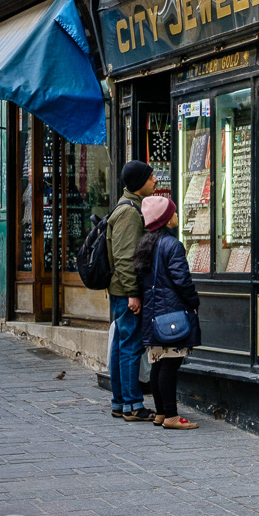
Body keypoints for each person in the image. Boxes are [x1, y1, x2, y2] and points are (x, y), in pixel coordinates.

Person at [133, 196, 202, 429]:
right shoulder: (172, 245)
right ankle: (171, 416)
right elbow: (182, 280)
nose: (176, 216)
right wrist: (194, 301)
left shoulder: (146, 244)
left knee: (158, 364)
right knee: (170, 365)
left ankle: (161, 413)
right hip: (172, 314)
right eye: (173, 213)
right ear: (165, 219)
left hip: (153, 315)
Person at [108, 161, 157, 422]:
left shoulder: (127, 206)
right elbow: (125, 258)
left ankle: (120, 402)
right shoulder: (129, 212)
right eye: (151, 178)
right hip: (126, 290)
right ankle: (133, 405)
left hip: (121, 289)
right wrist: (133, 293)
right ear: (139, 183)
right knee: (130, 345)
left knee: (121, 344)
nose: (155, 182)